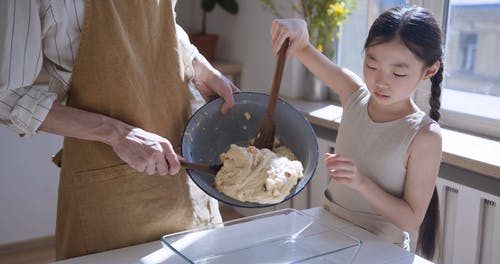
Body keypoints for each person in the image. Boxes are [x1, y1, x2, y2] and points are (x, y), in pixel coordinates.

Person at [0, 0, 238, 260]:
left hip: (185, 168)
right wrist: (117, 134)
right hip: (106, 185)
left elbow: (164, 25)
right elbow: (8, 97)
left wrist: (200, 68)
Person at [270, 6, 443, 261]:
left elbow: (410, 219)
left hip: (380, 249)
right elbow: (302, 47)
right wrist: (298, 28)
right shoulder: (353, 93)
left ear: (429, 71)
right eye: (372, 65)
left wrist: (362, 183)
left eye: (398, 73)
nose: (381, 81)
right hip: (326, 231)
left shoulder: (425, 135)